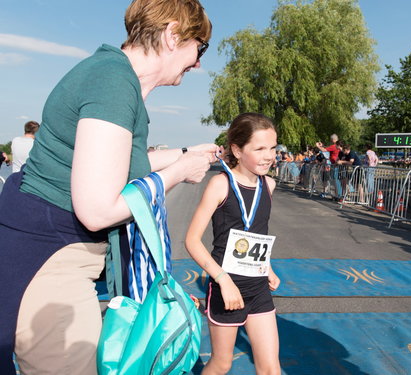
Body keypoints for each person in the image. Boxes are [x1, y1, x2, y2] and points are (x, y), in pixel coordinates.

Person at [0, 1, 216, 374]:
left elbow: (113, 164)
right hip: (51, 257)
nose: (197, 62)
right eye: (201, 47)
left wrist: (186, 154)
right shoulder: (114, 82)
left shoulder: (114, 76)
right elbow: (98, 209)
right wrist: (179, 172)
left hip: (54, 249)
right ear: (172, 35)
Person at [185, 113, 281, 375]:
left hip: (258, 288)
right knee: (221, 364)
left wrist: (267, 266)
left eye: (273, 148)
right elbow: (192, 240)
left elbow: (256, 233)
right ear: (237, 150)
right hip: (227, 288)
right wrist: (223, 280)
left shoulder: (268, 185)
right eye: (259, 148)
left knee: (271, 369)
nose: (269, 155)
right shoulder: (220, 184)